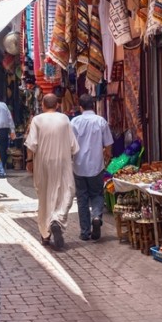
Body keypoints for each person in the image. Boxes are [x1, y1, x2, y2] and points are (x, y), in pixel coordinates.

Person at [24, 93, 79, 250]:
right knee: (67, 192)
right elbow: (73, 146)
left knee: (44, 197)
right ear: (57, 105)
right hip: (62, 163)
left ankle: (45, 233)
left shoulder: (37, 120)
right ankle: (57, 219)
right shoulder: (64, 119)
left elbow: (31, 144)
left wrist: (29, 161)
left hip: (43, 163)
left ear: (42, 105)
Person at [70, 93, 113, 241]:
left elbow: (70, 145)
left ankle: (85, 232)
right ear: (93, 105)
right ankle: (96, 216)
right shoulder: (101, 121)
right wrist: (107, 158)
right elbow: (108, 145)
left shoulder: (74, 122)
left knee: (82, 198)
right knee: (97, 194)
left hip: (79, 166)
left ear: (80, 107)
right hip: (96, 165)